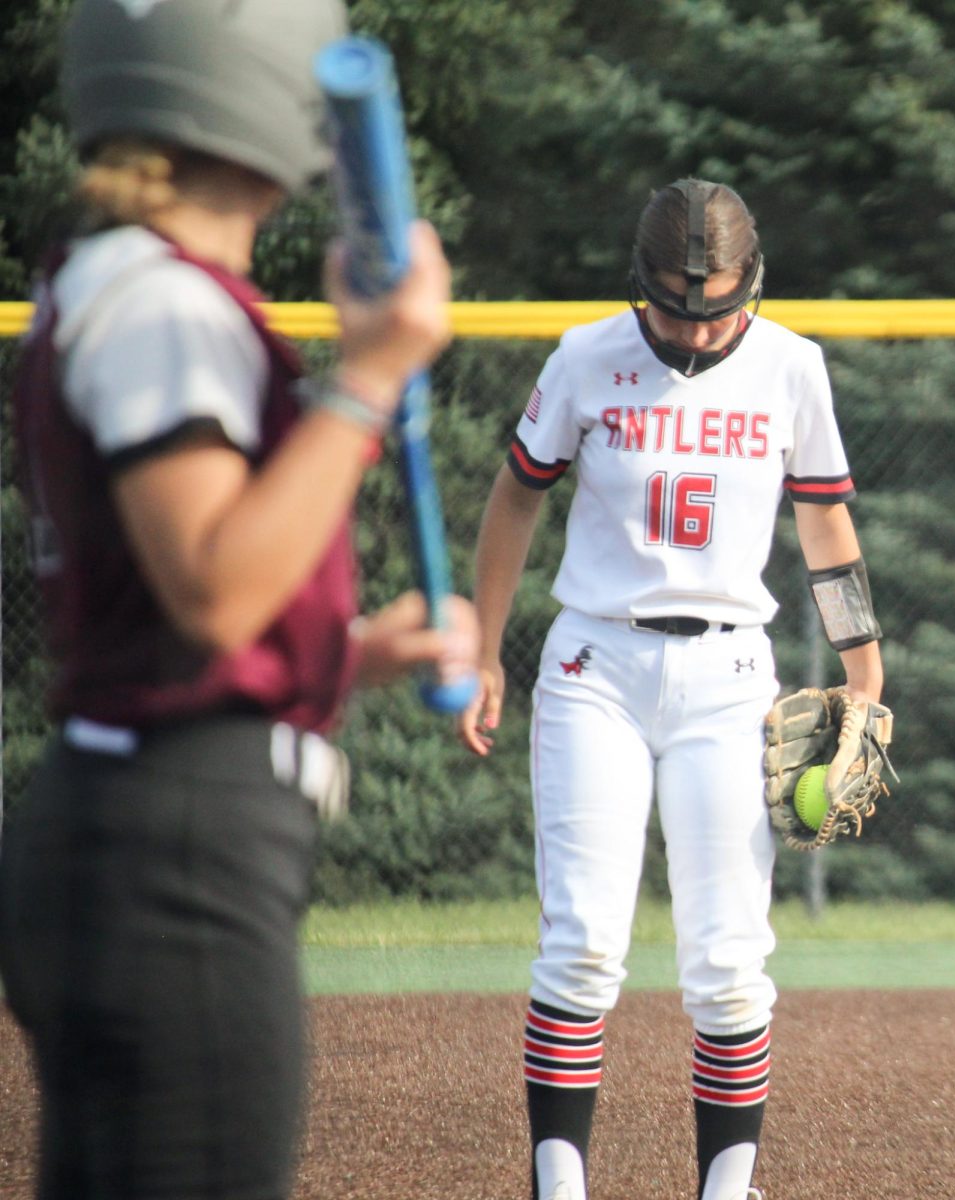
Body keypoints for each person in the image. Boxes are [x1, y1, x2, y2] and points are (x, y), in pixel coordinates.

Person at [0, 2, 477, 1198]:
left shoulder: (125, 283)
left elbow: (175, 616)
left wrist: (346, 652)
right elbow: (212, 589)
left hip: (134, 824)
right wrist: (370, 373)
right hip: (179, 852)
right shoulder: (166, 302)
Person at [459, 178, 885, 1200]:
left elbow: (823, 526)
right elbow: (515, 498)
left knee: (730, 960)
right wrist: (480, 644)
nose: (694, 332)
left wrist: (864, 673)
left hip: (731, 675)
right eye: (673, 309)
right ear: (638, 283)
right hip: (591, 667)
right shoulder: (584, 356)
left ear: (754, 282)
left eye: (716, 308)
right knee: (580, 947)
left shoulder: (789, 367)